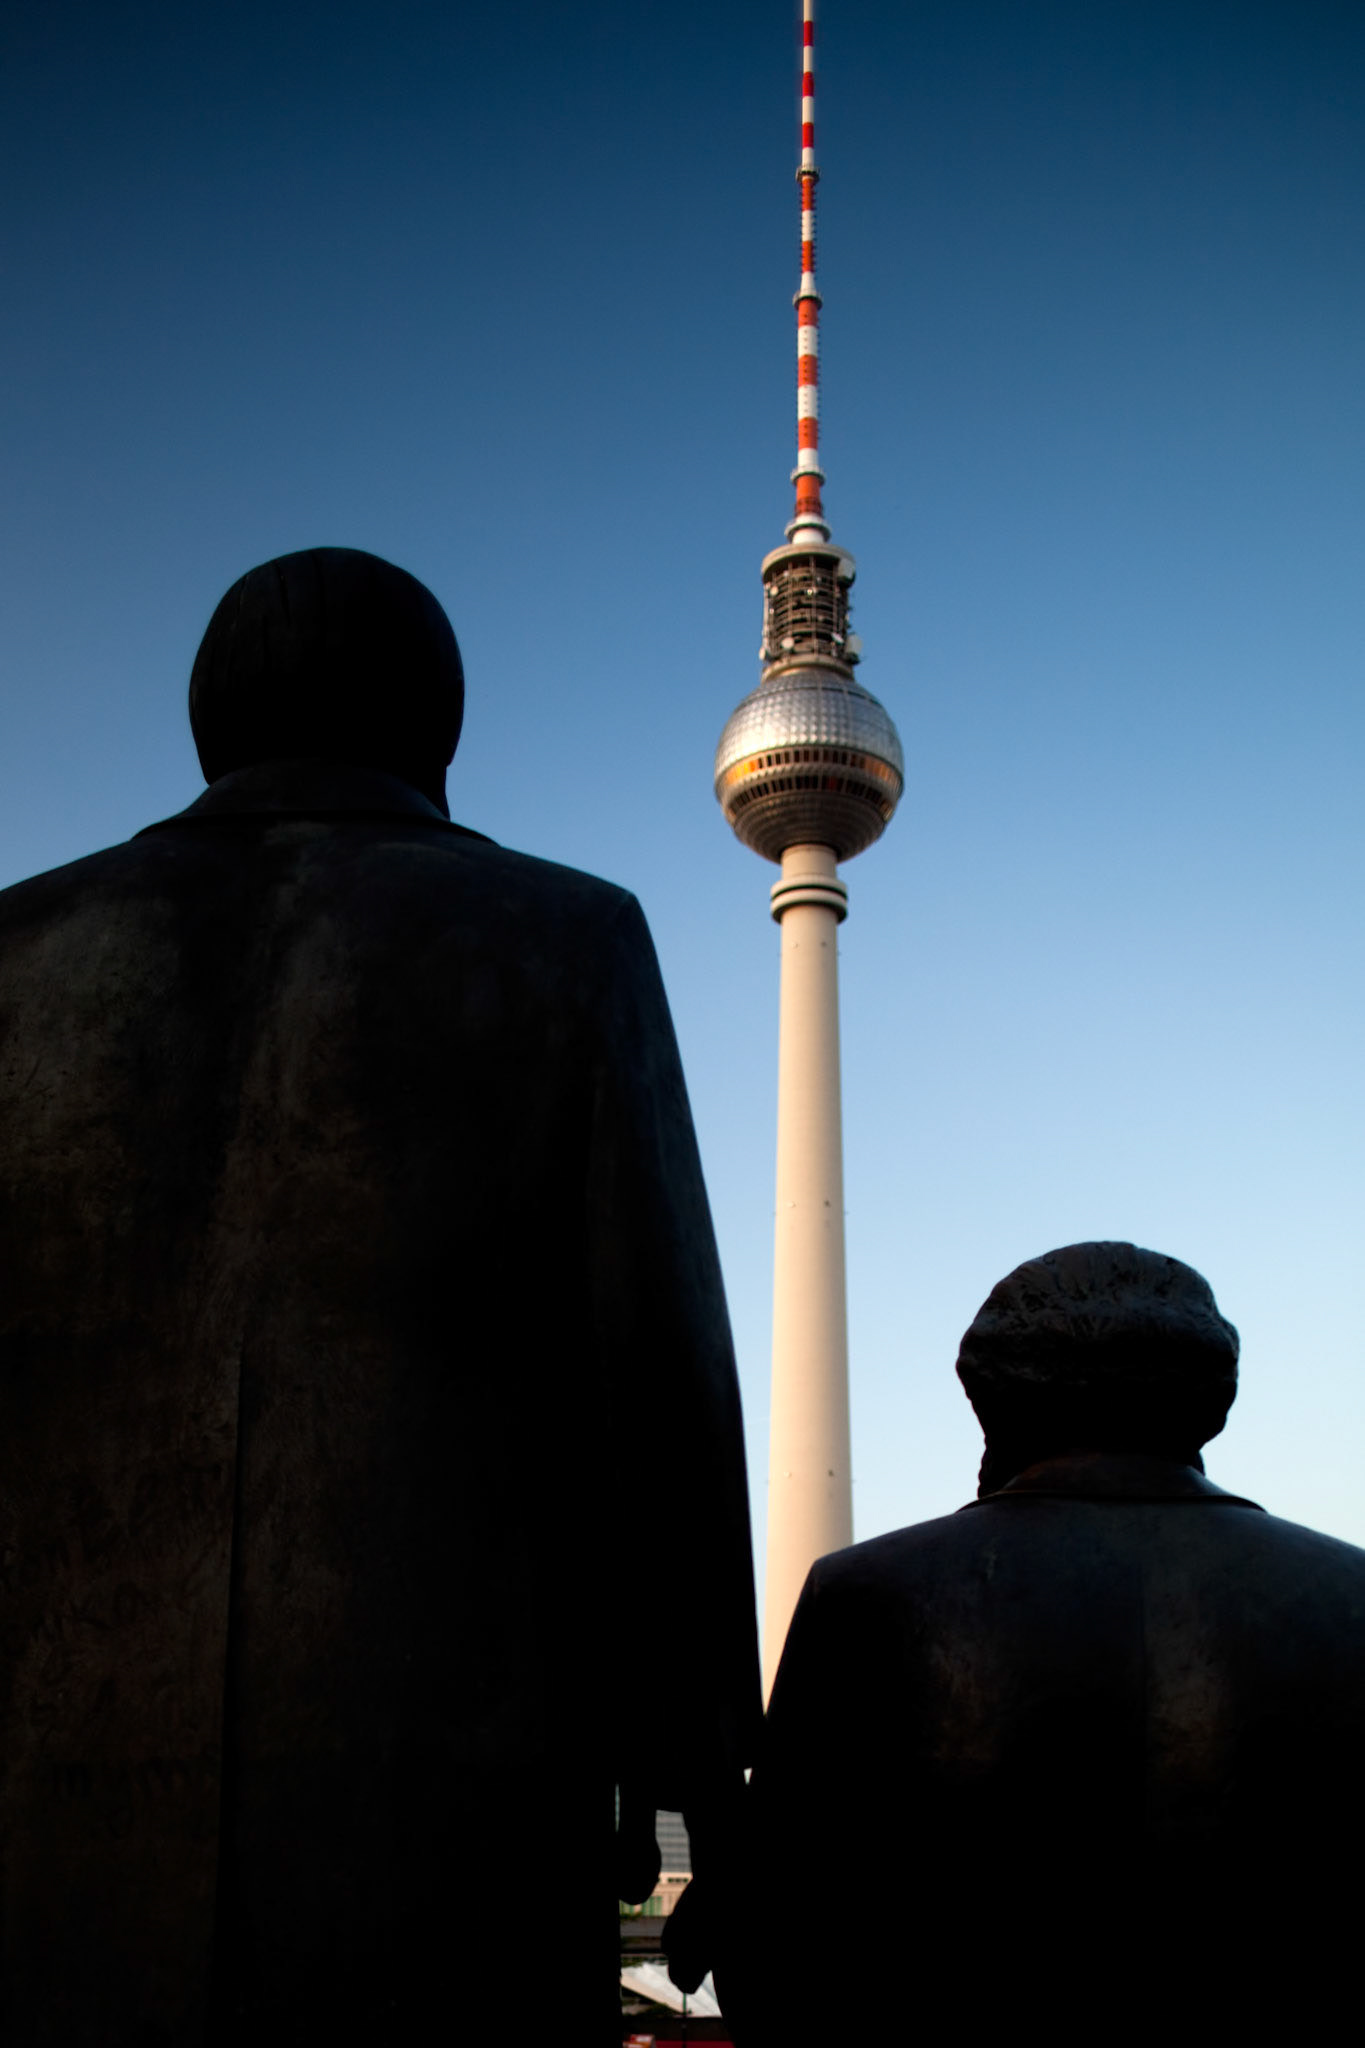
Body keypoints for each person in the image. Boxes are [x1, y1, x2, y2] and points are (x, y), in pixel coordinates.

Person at [0, 548, 760, 2044]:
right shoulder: (566, 940)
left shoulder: (18, 957)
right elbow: (661, 1388)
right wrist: (697, 1779)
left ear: (208, 718)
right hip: (445, 1819)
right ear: (438, 724)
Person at [693, 1242, 1365, 2043]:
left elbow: (773, 1949)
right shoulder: (1347, 1592)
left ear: (991, 1398)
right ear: (1210, 1397)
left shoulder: (867, 1593)